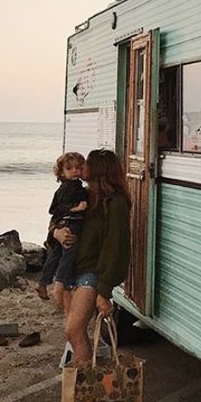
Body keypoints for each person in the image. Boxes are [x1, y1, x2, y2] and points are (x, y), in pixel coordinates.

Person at [53, 149, 131, 364]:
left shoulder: (116, 203)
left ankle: (85, 382)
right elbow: (57, 217)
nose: (81, 167)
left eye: (86, 164)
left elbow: (116, 249)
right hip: (71, 270)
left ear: (97, 170)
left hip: (91, 273)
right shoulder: (84, 195)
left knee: (74, 329)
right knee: (71, 331)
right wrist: (55, 233)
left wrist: (104, 291)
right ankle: (82, 381)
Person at [36, 152, 88, 303]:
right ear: (61, 172)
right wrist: (75, 208)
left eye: (78, 167)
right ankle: (60, 282)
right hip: (69, 223)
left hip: (64, 223)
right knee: (69, 253)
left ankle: (43, 282)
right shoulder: (68, 187)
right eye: (69, 168)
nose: (74, 171)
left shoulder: (75, 186)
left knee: (55, 255)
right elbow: (55, 209)